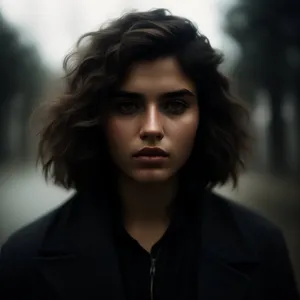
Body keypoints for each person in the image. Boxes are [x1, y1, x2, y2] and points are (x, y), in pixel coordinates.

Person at [0, 8, 299, 300]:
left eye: (175, 106)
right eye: (127, 106)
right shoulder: (24, 258)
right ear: (95, 119)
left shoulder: (262, 246)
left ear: (204, 117)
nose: (152, 128)